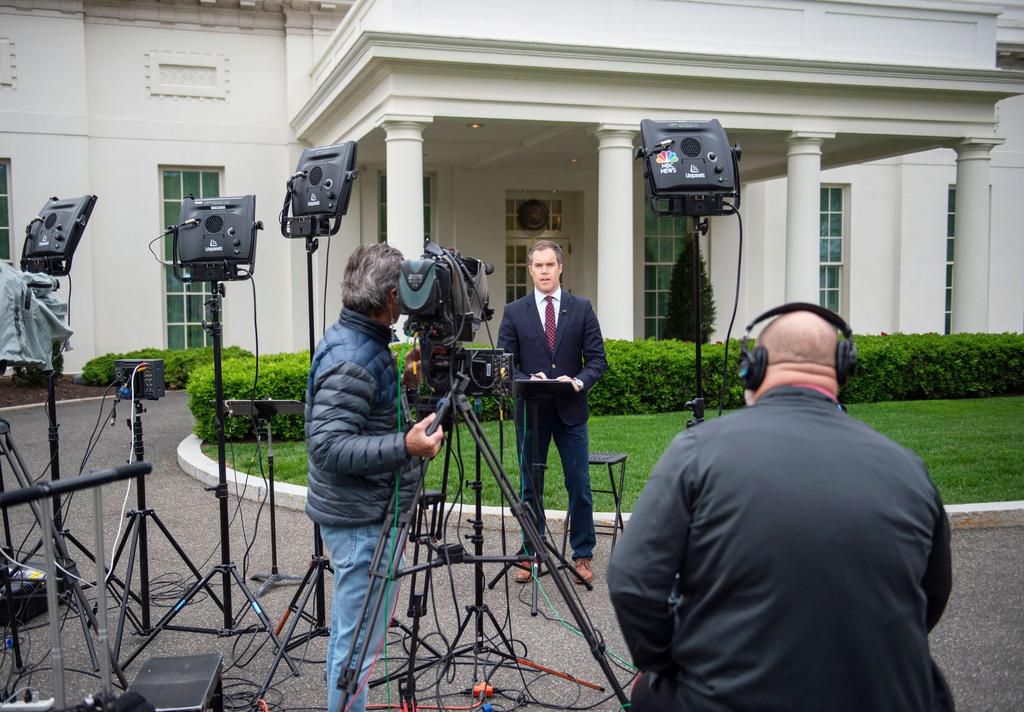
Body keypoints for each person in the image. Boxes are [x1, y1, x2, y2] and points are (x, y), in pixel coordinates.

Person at [607, 304, 953, 712]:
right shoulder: (908, 469)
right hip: (889, 697)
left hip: (726, 699)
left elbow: (633, 580)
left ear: (753, 368)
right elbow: (931, 596)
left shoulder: (696, 452)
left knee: (647, 694)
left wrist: (666, 662)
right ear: (841, 369)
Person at [305, 242, 445, 712]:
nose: (410, 296)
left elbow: (361, 420)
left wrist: (403, 387)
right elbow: (328, 447)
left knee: (355, 644)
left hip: (366, 514)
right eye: (404, 287)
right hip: (363, 523)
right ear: (389, 296)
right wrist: (405, 445)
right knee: (357, 648)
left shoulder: (363, 343)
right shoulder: (355, 357)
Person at [497, 239, 607, 584]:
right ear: (529, 270)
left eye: (550, 265)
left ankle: (582, 555)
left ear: (561, 268)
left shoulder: (582, 308)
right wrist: (529, 378)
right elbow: (503, 365)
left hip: (571, 410)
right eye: (538, 265)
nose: (544, 271)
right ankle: (531, 554)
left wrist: (577, 381)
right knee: (531, 486)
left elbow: (598, 361)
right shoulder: (514, 312)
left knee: (579, 484)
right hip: (531, 412)